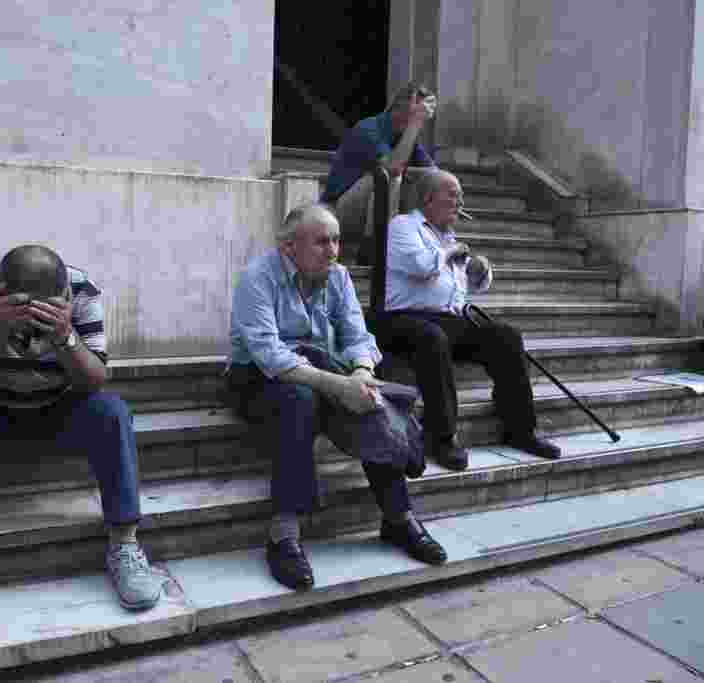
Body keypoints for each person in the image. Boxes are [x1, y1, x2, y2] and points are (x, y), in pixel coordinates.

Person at [0, 245, 163, 642]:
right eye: (25, 307)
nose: (33, 319)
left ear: (64, 293)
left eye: (47, 306)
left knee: (112, 411)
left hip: (58, 407)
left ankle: (125, 544)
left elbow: (94, 380)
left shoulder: (83, 290)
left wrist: (65, 335)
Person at [227, 203, 448, 591]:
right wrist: (338, 386)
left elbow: (357, 337)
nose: (332, 250)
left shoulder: (339, 276)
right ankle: (284, 533)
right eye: (321, 242)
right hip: (257, 379)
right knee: (300, 400)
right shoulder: (257, 278)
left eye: (336, 240)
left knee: (362, 394)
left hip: (323, 367)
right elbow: (271, 356)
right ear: (288, 247)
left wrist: (360, 375)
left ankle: (397, 518)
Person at [370, 169, 561, 471]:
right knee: (433, 337)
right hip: (402, 319)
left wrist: (478, 271)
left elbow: (461, 290)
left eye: (460, 195)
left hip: (447, 319)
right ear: (429, 198)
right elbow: (420, 267)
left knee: (505, 336)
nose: (460, 201)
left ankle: (521, 429)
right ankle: (441, 438)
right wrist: (449, 252)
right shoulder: (404, 226)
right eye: (453, 194)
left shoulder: (447, 237)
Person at [322, 82, 438, 243]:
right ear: (399, 104)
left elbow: (434, 175)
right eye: (417, 107)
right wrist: (416, 123)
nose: (421, 113)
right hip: (336, 212)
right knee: (388, 176)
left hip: (371, 212)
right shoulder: (369, 128)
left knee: (429, 181)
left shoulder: (406, 138)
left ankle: (423, 245)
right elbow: (393, 168)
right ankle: (376, 246)